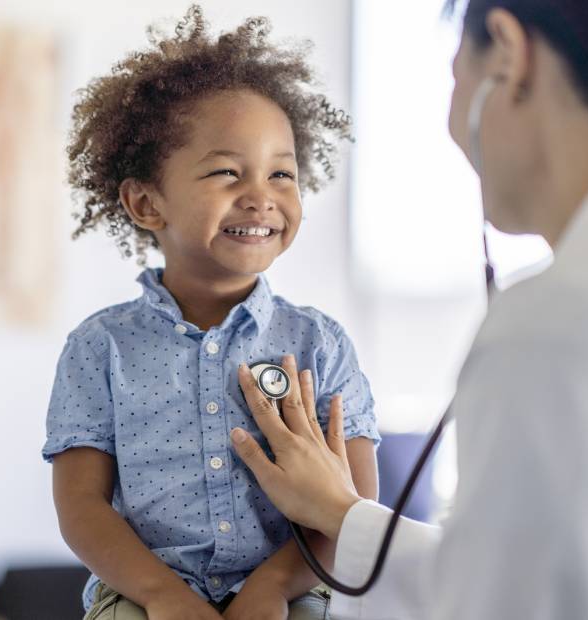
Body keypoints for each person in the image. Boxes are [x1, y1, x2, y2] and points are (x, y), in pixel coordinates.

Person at [228, 1, 588, 618]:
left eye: (453, 76)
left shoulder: (568, 317)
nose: (451, 125)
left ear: (507, 53)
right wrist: (343, 514)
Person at [41, 6, 380, 619]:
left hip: (296, 585)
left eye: (282, 172)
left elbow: (355, 502)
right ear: (146, 202)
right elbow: (82, 508)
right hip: (144, 593)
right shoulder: (100, 347)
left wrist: (274, 587)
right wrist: (161, 595)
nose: (262, 195)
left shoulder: (320, 343)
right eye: (227, 171)